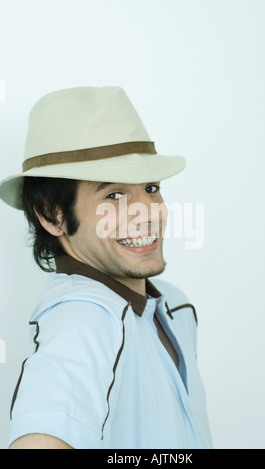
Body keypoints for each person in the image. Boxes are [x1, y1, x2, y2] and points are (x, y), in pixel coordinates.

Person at [0, 86, 213, 449]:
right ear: (52, 214)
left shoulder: (175, 306)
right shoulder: (83, 320)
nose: (147, 212)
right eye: (113, 195)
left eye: (150, 187)